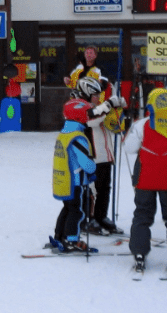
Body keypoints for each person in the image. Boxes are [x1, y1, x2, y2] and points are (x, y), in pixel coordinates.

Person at [124, 88, 167, 274]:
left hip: (145, 178)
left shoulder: (141, 124)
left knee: (142, 214)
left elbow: (129, 148)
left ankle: (139, 252)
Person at [73, 76, 126, 234]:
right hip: (92, 157)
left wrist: (118, 110)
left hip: (105, 155)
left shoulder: (99, 108)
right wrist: (109, 104)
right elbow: (91, 119)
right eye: (95, 95)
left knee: (104, 188)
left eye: (99, 95)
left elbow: (109, 122)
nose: (98, 98)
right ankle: (88, 220)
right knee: (91, 190)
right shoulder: (80, 107)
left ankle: (101, 217)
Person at [51, 98, 97, 252]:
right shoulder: (77, 137)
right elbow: (86, 163)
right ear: (79, 115)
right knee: (76, 211)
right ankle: (71, 239)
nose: (88, 116)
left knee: (67, 208)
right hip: (74, 182)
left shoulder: (64, 134)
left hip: (63, 180)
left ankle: (59, 235)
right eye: (86, 113)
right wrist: (93, 168)